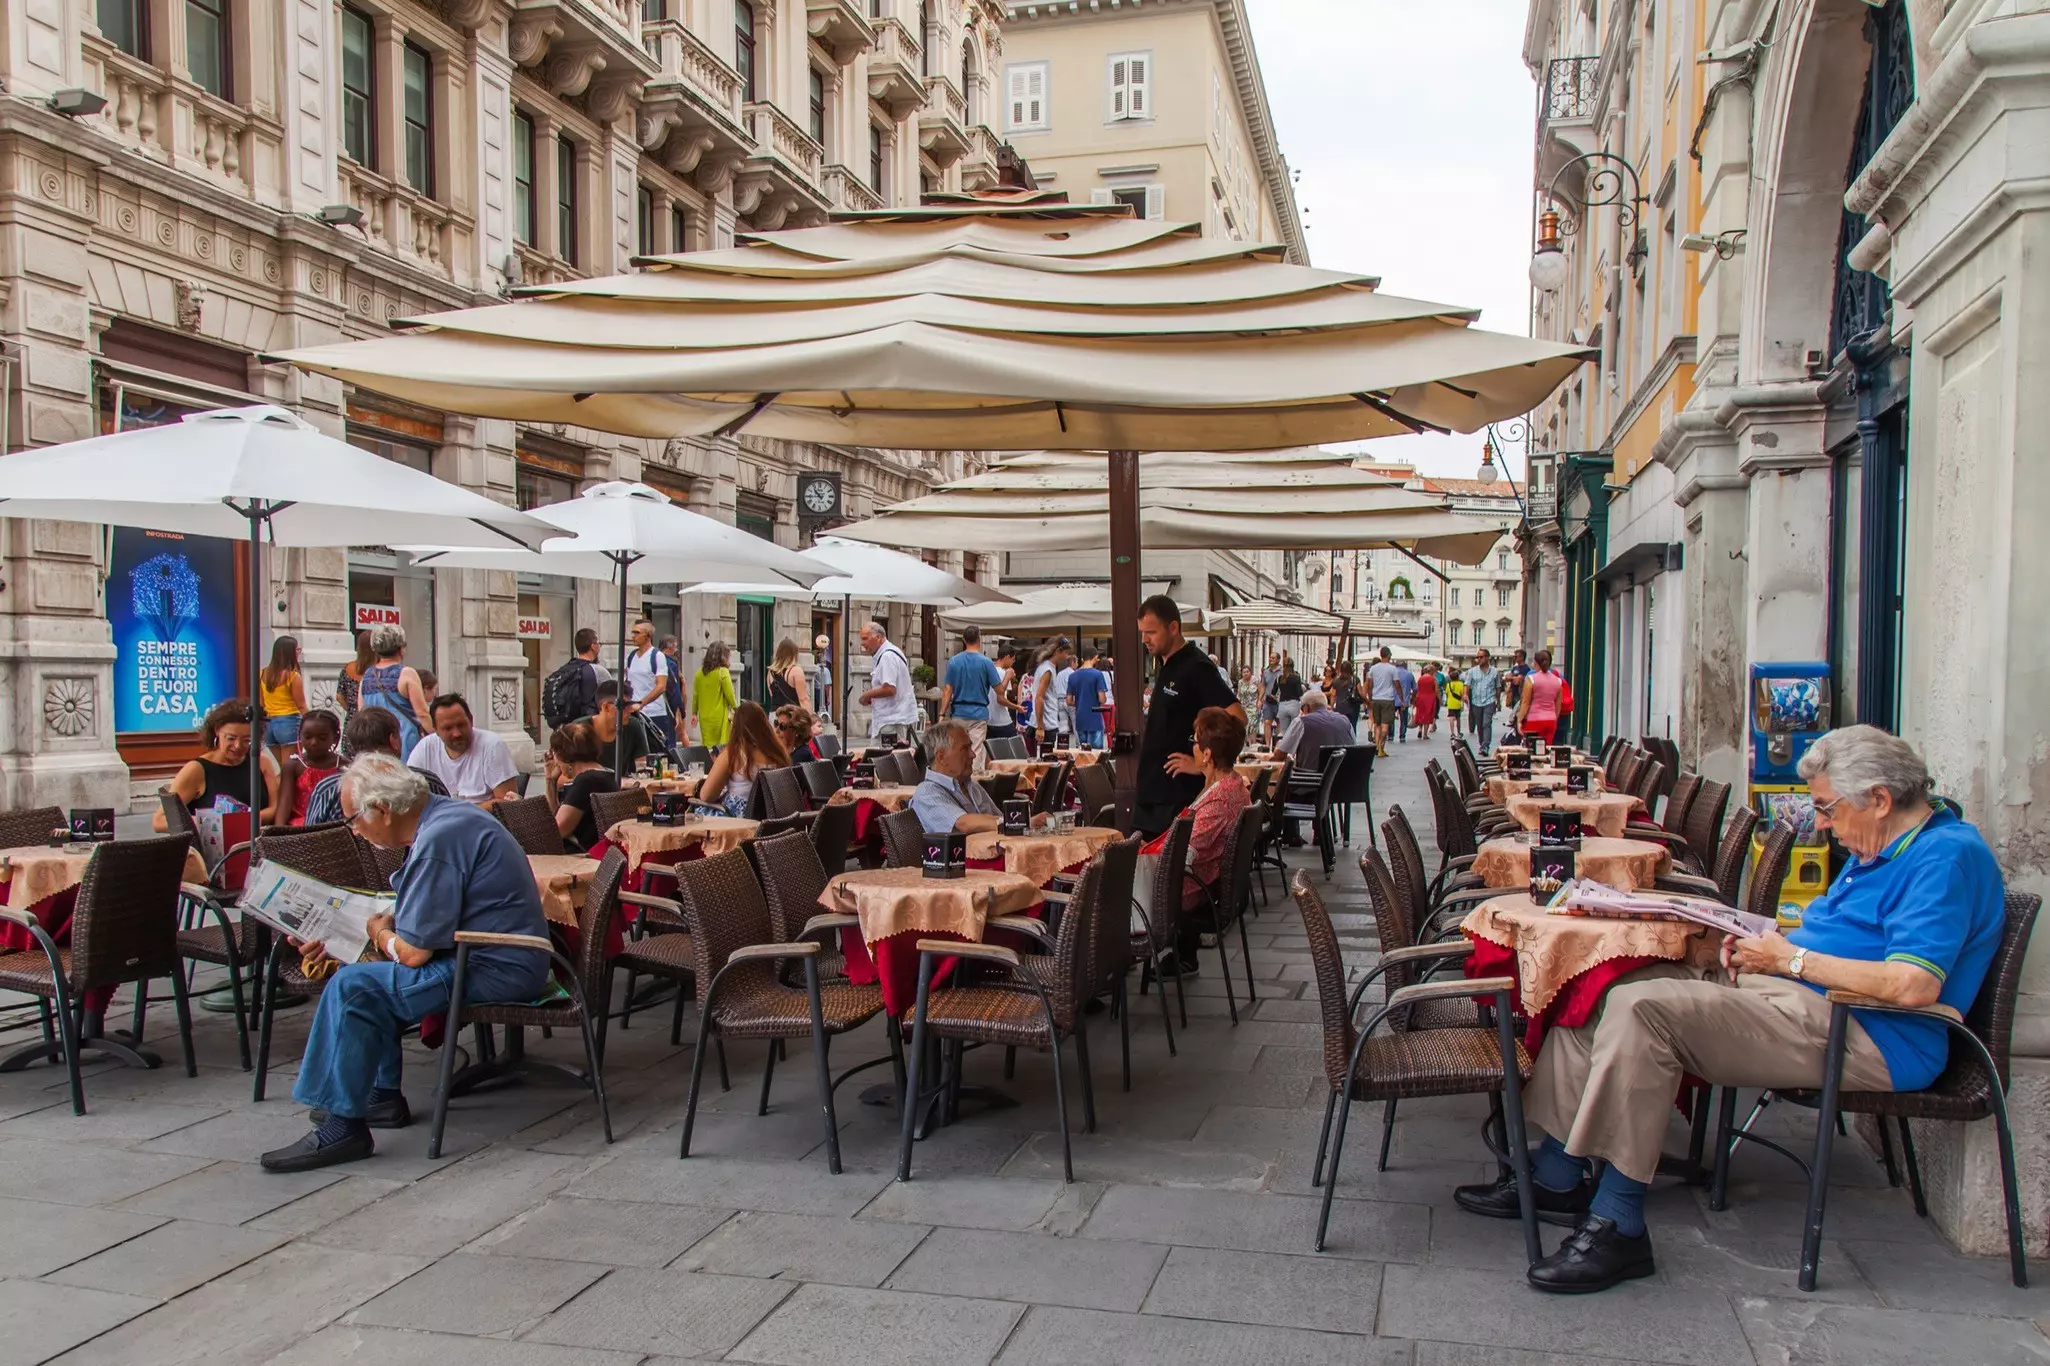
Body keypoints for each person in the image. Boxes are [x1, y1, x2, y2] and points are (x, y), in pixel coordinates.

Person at [1460, 727, 2006, 1293]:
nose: (1821, 823)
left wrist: (1790, 959)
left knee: (1644, 1010)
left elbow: (1913, 984)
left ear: (1881, 798)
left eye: (1827, 808)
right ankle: (1557, 1173)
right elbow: (1845, 938)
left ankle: (1619, 1223)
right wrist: (1757, 941)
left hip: (1868, 1034)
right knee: (1601, 985)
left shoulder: (1944, 858)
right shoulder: (1882, 844)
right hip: (1801, 996)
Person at [260, 755, 551, 1173]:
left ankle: (342, 1127)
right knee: (361, 979)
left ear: (382, 809)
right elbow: (421, 917)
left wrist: (378, 935)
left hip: (493, 966)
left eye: (354, 820)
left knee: (353, 988)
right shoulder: (446, 818)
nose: (355, 831)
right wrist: (347, 937)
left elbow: (414, 953)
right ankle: (379, 1096)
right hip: (493, 956)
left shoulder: (440, 838)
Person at [1146, 705, 1253, 970]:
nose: (1192, 746)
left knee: (1103, 885)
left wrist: (1140, 855)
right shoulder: (1233, 785)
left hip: (1189, 890)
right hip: (1205, 883)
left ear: (1206, 754)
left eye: (1194, 741)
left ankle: (1100, 970)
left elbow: (1180, 855)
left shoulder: (1219, 799)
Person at [1135, 596, 1243, 838]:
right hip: (1153, 794)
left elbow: (1237, 717)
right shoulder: (1166, 663)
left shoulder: (1196, 666)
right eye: (1142, 633)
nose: (1144, 640)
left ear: (1173, 627)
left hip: (1174, 797)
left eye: (1151, 632)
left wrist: (1201, 764)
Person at [303, 707, 451, 827]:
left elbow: (309, 840)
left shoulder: (327, 789)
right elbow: (450, 824)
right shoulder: (427, 782)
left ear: (352, 746)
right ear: (393, 740)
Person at [153, 698, 284, 828]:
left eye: (246, 740)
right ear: (217, 731)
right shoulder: (197, 769)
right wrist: (209, 822)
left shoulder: (261, 763)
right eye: (231, 738)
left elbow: (275, 807)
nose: (238, 746)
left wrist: (244, 820)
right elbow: (160, 821)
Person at [910, 718, 1039, 835]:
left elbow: (998, 817)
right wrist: (1020, 823)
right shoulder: (927, 792)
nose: (973, 754)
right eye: (965, 749)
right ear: (941, 757)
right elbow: (963, 824)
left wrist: (1021, 823)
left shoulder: (971, 786)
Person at [408, 694, 522, 804]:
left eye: (461, 725)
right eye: (448, 728)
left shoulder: (492, 746)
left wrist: (461, 812)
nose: (456, 733)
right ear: (435, 729)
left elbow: (508, 802)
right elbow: (408, 793)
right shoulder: (425, 747)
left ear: (471, 720)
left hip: (484, 816)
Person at [696, 701, 787, 818]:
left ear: (736, 726)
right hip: (770, 817)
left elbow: (706, 795)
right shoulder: (777, 753)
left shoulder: (733, 754)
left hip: (737, 818)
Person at [543, 720, 618, 852]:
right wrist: (550, 781)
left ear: (562, 755)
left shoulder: (586, 781)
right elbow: (557, 815)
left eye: (554, 754)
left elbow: (557, 831)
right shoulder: (605, 773)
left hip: (583, 854)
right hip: (603, 852)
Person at [357, 626, 432, 758]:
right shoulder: (407, 673)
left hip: (375, 746)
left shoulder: (367, 676)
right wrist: (438, 737)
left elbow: (362, 712)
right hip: (404, 742)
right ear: (401, 649)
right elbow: (422, 713)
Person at [939, 625, 1004, 763]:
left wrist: (942, 714)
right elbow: (1000, 690)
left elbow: (947, 690)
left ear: (964, 639)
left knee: (958, 750)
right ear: (979, 639)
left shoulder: (954, 661)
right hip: (979, 713)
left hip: (958, 712)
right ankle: (975, 776)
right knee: (976, 752)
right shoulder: (986, 662)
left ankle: (958, 775)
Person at [579, 679, 660, 775]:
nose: (631, 710)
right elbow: (565, 775)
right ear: (606, 707)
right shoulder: (580, 729)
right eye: (624, 705)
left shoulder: (633, 726)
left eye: (631, 704)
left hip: (624, 783)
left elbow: (642, 769)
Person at [859, 619, 919, 746]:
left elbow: (890, 689)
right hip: (891, 719)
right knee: (880, 755)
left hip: (890, 720)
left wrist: (867, 694)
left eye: (865, 638)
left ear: (878, 638)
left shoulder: (887, 656)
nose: (862, 644)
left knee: (882, 756)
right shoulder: (889, 653)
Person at [280, 710, 343, 826]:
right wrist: (277, 832)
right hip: (300, 827)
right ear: (300, 735)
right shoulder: (293, 766)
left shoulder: (344, 765)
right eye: (308, 737)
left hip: (334, 826)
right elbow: (284, 805)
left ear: (335, 737)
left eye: (322, 738)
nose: (314, 742)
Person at [624, 620, 676, 749]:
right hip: (634, 714)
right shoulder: (630, 656)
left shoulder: (657, 656)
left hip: (654, 713)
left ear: (648, 636)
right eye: (633, 632)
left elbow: (661, 686)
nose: (633, 636)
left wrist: (641, 703)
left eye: (637, 632)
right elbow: (628, 682)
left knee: (657, 752)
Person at [258, 635, 308, 764]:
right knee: (290, 768)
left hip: (269, 724)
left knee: (280, 768)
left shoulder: (262, 673)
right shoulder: (293, 676)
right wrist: (312, 721)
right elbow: (301, 706)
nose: (299, 652)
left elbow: (261, 704)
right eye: (297, 649)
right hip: (289, 722)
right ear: (290, 652)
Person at [690, 640, 738, 749]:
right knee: (721, 747)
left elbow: (695, 696)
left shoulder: (699, 674)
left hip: (704, 718)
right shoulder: (723, 672)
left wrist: (694, 713)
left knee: (708, 748)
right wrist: (738, 710)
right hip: (720, 717)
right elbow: (730, 695)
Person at [1516, 648, 1568, 745]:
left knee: (1532, 749)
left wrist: (1519, 720)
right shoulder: (1558, 681)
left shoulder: (1531, 679)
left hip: (1534, 719)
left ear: (1536, 663)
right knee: (1547, 748)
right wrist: (1554, 719)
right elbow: (1558, 706)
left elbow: (1525, 703)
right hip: (1551, 720)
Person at [1027, 639, 1071, 755]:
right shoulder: (1047, 670)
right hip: (1046, 725)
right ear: (1057, 652)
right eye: (1066, 653)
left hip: (1045, 723)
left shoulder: (1046, 667)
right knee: (1044, 761)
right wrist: (1040, 727)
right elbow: (1039, 698)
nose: (1067, 656)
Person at [1066, 650, 1110, 750]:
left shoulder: (1072, 676)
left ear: (1082, 659)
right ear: (1095, 657)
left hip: (1080, 719)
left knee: (1084, 753)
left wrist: (1080, 702)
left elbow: (1068, 701)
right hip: (1095, 718)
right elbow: (1102, 699)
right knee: (1096, 754)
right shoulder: (1097, 674)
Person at [1463, 649, 1504, 753]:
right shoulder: (1472, 671)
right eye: (1477, 657)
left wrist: (1498, 702)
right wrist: (1465, 694)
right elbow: (1467, 684)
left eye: (1481, 657)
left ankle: (1485, 746)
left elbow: (1498, 687)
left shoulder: (1494, 672)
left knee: (1486, 723)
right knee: (1480, 724)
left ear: (1487, 657)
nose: (1479, 659)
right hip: (1476, 702)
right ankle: (1482, 743)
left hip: (1489, 701)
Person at [1366, 647, 1402, 757]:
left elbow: (1369, 685)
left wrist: (1370, 698)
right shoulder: (1392, 669)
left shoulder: (1373, 668)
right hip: (1388, 699)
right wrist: (1402, 699)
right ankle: (1381, 746)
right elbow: (1397, 685)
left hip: (1376, 699)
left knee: (1377, 725)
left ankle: (1377, 747)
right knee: (1385, 726)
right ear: (1389, 655)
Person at [985, 645, 1021, 747]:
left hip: (989, 720)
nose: (1012, 663)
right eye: (1013, 660)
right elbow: (1000, 698)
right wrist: (1017, 707)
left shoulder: (988, 671)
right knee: (1014, 750)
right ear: (1007, 657)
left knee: (992, 752)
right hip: (1002, 721)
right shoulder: (1004, 673)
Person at [336, 630, 373, 717]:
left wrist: (351, 710)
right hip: (373, 719)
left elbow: (339, 697)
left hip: (353, 718)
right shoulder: (379, 671)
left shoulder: (347, 668)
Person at [768, 638, 807, 710]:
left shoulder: (770, 672)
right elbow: (803, 699)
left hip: (775, 713)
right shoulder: (796, 670)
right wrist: (810, 715)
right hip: (792, 713)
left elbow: (772, 695)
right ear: (794, 654)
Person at [1275, 656, 1306, 737]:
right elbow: (1299, 693)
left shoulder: (1280, 678)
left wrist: (1278, 700)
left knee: (1283, 732)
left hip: (1282, 705)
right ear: (1293, 666)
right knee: (1294, 731)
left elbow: (1273, 692)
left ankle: (1283, 744)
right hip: (1294, 704)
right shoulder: (1296, 677)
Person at [1331, 661, 1363, 735]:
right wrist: (1365, 701)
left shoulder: (1336, 681)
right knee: (1353, 726)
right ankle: (1352, 739)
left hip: (1340, 707)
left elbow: (1333, 695)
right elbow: (1360, 693)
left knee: (1341, 726)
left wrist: (1332, 707)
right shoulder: (1355, 679)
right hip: (1353, 707)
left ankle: (1342, 739)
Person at [1259, 651, 1282, 747]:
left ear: (1278, 660)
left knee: (1279, 723)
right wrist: (1260, 699)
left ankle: (1277, 745)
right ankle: (1268, 745)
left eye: (1273, 658)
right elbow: (1263, 686)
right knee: (1267, 722)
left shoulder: (1282, 672)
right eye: (1270, 657)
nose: (1270, 659)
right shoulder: (1266, 672)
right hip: (1268, 702)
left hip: (1279, 702)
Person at [1393, 657, 1417, 743]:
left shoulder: (1392, 673)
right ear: (1405, 665)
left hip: (1392, 700)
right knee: (1403, 719)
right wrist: (1413, 699)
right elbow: (1415, 689)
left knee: (1390, 719)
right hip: (1405, 701)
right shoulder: (1409, 674)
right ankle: (1402, 736)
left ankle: (1390, 735)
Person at [1412, 662, 1439, 739]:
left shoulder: (1420, 679)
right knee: (1427, 716)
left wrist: (1414, 700)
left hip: (1420, 698)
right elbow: (1436, 691)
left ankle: (1420, 729)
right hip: (1429, 698)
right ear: (1431, 671)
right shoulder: (1433, 679)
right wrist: (1440, 700)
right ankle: (1425, 734)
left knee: (1421, 714)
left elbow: (1417, 689)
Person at [1445, 670, 1466, 740]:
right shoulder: (1461, 684)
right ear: (1458, 677)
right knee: (1458, 718)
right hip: (1458, 703)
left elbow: (1447, 694)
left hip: (1450, 703)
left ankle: (1452, 733)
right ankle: (1459, 732)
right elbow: (1462, 695)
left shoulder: (1448, 684)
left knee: (1451, 718)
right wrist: (1462, 704)